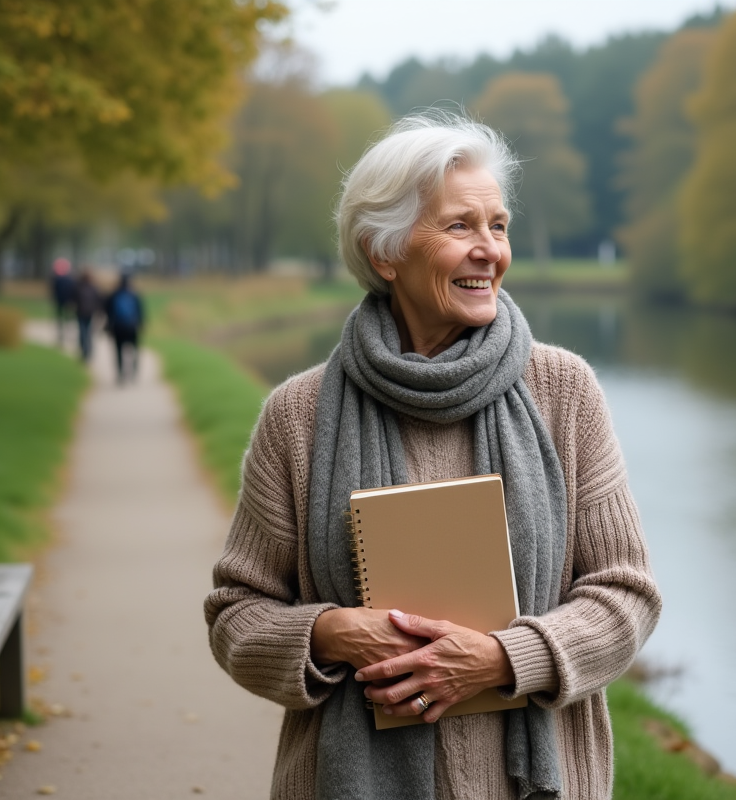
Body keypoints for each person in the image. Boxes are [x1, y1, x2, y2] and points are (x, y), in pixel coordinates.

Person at [203, 113, 661, 799]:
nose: (490, 250)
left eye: (497, 226)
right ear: (385, 253)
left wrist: (505, 659)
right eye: (459, 227)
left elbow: (626, 593)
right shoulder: (298, 415)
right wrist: (331, 632)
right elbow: (237, 612)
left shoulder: (564, 391)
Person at [104, 273, 144, 384]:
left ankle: (121, 373)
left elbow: (107, 311)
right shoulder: (134, 295)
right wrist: (141, 324)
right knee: (134, 349)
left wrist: (109, 325)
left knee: (118, 350)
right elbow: (140, 311)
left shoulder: (113, 295)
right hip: (132, 327)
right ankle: (134, 370)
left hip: (118, 327)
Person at [74, 268, 103, 363]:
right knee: (88, 331)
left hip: (81, 312)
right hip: (89, 312)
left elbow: (74, 299)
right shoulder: (93, 287)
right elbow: (98, 300)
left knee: (83, 331)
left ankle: (85, 350)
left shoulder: (78, 287)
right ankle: (88, 349)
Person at [49, 257, 76, 345]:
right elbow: (72, 291)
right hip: (67, 301)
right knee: (67, 317)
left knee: (60, 318)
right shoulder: (70, 280)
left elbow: (53, 291)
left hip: (59, 301)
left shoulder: (56, 280)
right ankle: (67, 331)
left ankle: (61, 334)